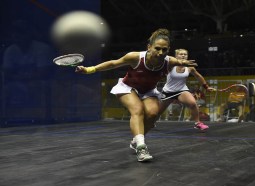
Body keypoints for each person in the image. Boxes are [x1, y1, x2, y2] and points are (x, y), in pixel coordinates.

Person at [75, 29, 197, 162]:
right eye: (157, 48)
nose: (161, 52)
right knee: (137, 110)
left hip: (148, 91)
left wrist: (183, 63)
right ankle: (141, 148)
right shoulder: (135, 57)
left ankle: (136, 140)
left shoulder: (170, 61)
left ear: (168, 49)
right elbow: (113, 63)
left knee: (152, 115)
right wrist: (89, 69)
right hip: (128, 87)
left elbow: (179, 63)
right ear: (149, 47)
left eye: (164, 49)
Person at [158, 49, 216, 131]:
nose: (183, 55)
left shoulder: (190, 67)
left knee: (193, 103)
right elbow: (166, 58)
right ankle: (151, 122)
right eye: (181, 54)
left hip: (182, 90)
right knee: (159, 111)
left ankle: (197, 123)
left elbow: (198, 76)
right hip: (168, 91)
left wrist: (206, 87)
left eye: (185, 54)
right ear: (176, 56)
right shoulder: (170, 65)